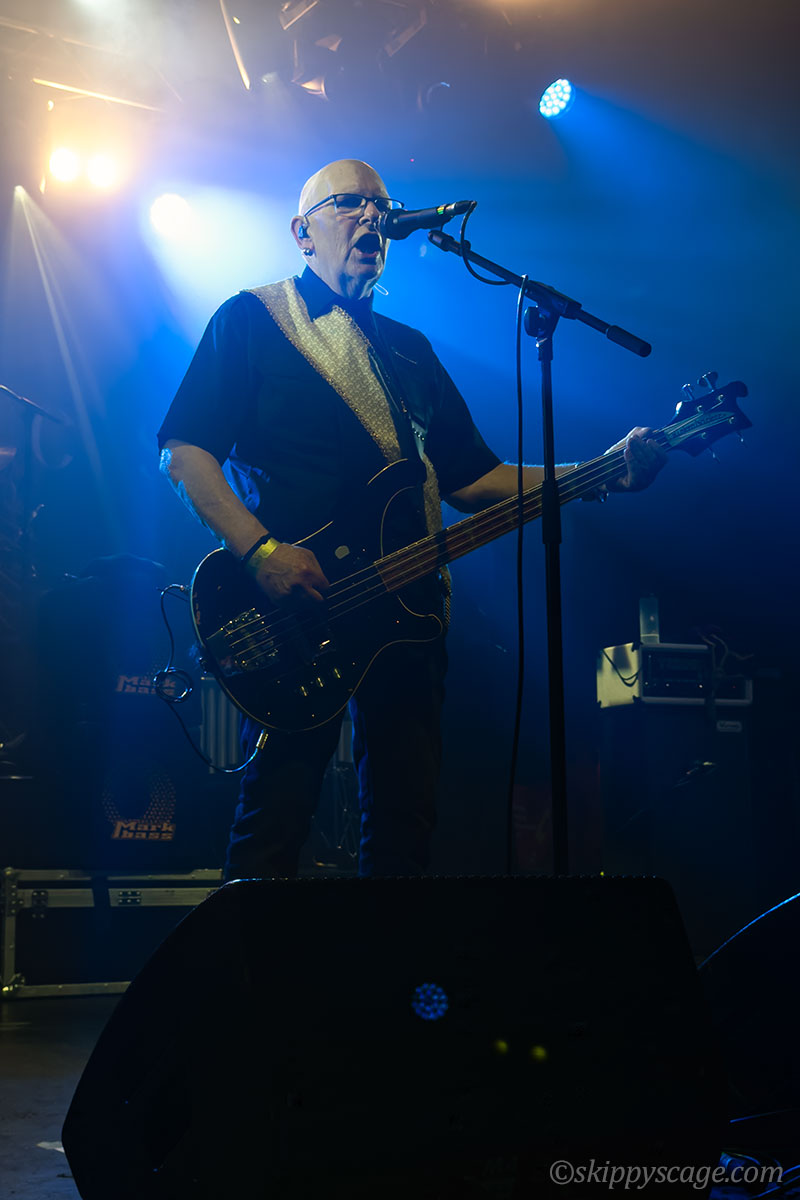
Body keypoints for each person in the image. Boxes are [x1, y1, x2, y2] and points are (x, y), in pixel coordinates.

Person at [158, 158, 666, 882]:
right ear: (302, 232)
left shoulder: (411, 350)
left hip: (408, 610)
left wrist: (600, 469)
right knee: (275, 817)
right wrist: (261, 551)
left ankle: (389, 958)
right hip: (297, 613)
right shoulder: (252, 318)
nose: (372, 215)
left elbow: (474, 479)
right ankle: (244, 958)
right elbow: (184, 452)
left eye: (381, 204)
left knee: (406, 829)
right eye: (349, 203)